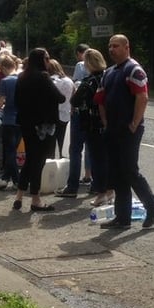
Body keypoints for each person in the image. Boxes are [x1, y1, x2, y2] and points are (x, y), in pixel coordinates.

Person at [95, 34, 154, 229]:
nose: (111, 49)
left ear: (126, 47)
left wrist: (134, 123)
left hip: (128, 130)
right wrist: (105, 122)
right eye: (110, 46)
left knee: (130, 171)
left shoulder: (134, 69)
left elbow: (142, 97)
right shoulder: (108, 72)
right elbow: (100, 99)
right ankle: (122, 218)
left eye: (116, 46)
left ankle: (152, 206)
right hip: (112, 129)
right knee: (116, 173)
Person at [11, 48, 65, 212]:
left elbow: (16, 100)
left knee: (30, 159)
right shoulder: (43, 76)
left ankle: (19, 195)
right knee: (38, 162)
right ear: (41, 60)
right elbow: (60, 97)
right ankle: (35, 199)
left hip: (26, 124)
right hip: (43, 126)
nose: (49, 61)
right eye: (47, 58)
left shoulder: (22, 77)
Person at [60, 48, 113, 205]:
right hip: (108, 122)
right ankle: (105, 189)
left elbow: (74, 101)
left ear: (88, 64)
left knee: (88, 155)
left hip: (91, 122)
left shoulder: (88, 82)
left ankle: (87, 189)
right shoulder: (109, 77)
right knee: (105, 158)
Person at [0, 54, 21, 191]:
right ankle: (5, 178)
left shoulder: (5, 81)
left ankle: (17, 180)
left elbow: (0, 102)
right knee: (13, 150)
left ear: (3, 67)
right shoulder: (22, 79)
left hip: (9, 119)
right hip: (22, 119)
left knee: (9, 152)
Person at [68, 43, 93, 187]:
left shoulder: (80, 65)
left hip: (80, 110)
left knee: (76, 148)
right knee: (91, 146)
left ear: (79, 53)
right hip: (92, 112)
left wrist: (72, 105)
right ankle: (89, 176)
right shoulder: (101, 70)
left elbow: (76, 84)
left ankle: (72, 185)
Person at [47, 58, 75, 159]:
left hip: (52, 115)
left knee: (50, 145)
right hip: (66, 114)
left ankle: (51, 167)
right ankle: (64, 166)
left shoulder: (50, 81)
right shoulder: (69, 81)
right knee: (63, 143)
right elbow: (73, 98)